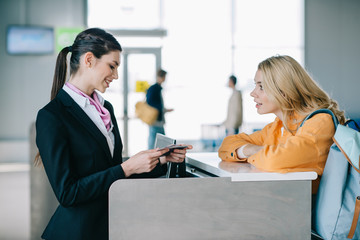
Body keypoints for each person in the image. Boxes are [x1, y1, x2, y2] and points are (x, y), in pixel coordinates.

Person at [34, 28, 192, 240]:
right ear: (88, 60)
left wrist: (160, 160)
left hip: (111, 226)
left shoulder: (106, 108)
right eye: (112, 66)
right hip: (77, 233)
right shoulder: (52, 116)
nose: (116, 76)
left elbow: (113, 172)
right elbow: (68, 193)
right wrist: (125, 168)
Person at [218, 55, 345, 193]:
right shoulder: (279, 126)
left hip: (309, 211)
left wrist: (255, 153)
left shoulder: (320, 123)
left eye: (261, 87)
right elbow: (226, 146)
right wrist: (250, 149)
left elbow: (275, 160)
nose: (253, 93)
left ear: (284, 91)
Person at [146, 69, 173, 149]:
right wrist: (161, 109)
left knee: (157, 139)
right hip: (155, 119)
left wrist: (164, 109)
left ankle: (156, 156)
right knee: (156, 139)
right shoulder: (154, 88)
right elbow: (150, 102)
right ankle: (153, 157)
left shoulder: (157, 88)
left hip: (157, 119)